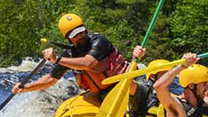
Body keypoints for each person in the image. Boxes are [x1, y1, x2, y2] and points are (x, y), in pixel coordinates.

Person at [12, 13, 140, 106]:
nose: (81, 36)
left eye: (82, 31)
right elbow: (51, 79)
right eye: (75, 35)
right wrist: (26, 87)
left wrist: (56, 59)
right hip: (105, 93)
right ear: (68, 38)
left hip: (128, 83)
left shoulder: (98, 41)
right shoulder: (69, 55)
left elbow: (88, 63)